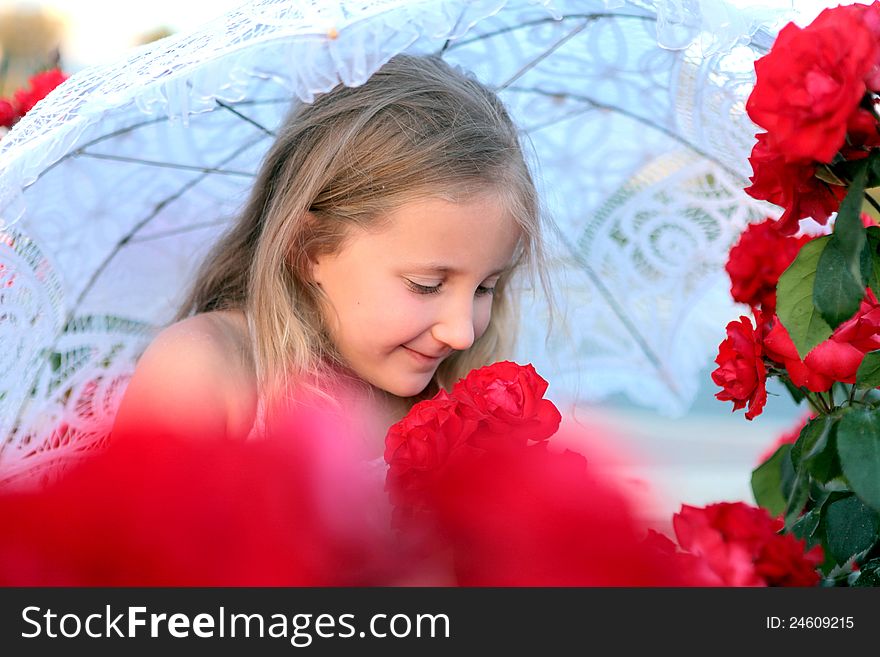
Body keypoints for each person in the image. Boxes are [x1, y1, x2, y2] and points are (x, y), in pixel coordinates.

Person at [111, 54, 554, 458]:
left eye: (485, 287)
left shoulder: (447, 407)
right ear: (309, 249)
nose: (461, 334)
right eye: (427, 285)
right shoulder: (205, 372)